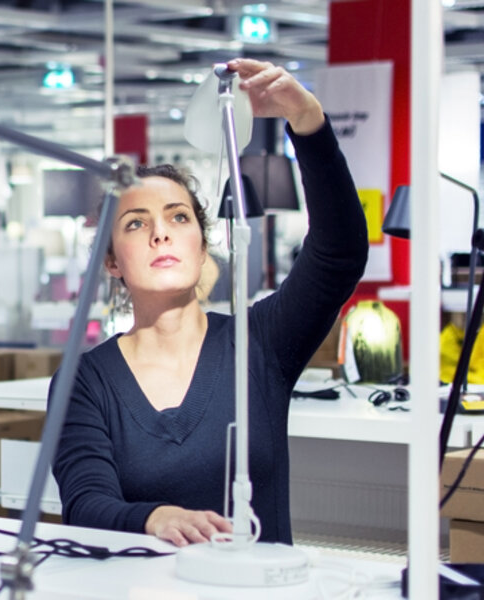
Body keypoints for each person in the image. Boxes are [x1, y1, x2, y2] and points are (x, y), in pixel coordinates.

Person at [52, 58, 368, 547]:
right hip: (144, 583)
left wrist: (307, 122)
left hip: (258, 581)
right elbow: (85, 503)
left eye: (178, 217)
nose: (160, 233)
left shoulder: (259, 344)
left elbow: (339, 254)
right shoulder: (86, 381)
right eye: (136, 223)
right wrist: (152, 518)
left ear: (202, 247)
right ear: (111, 261)